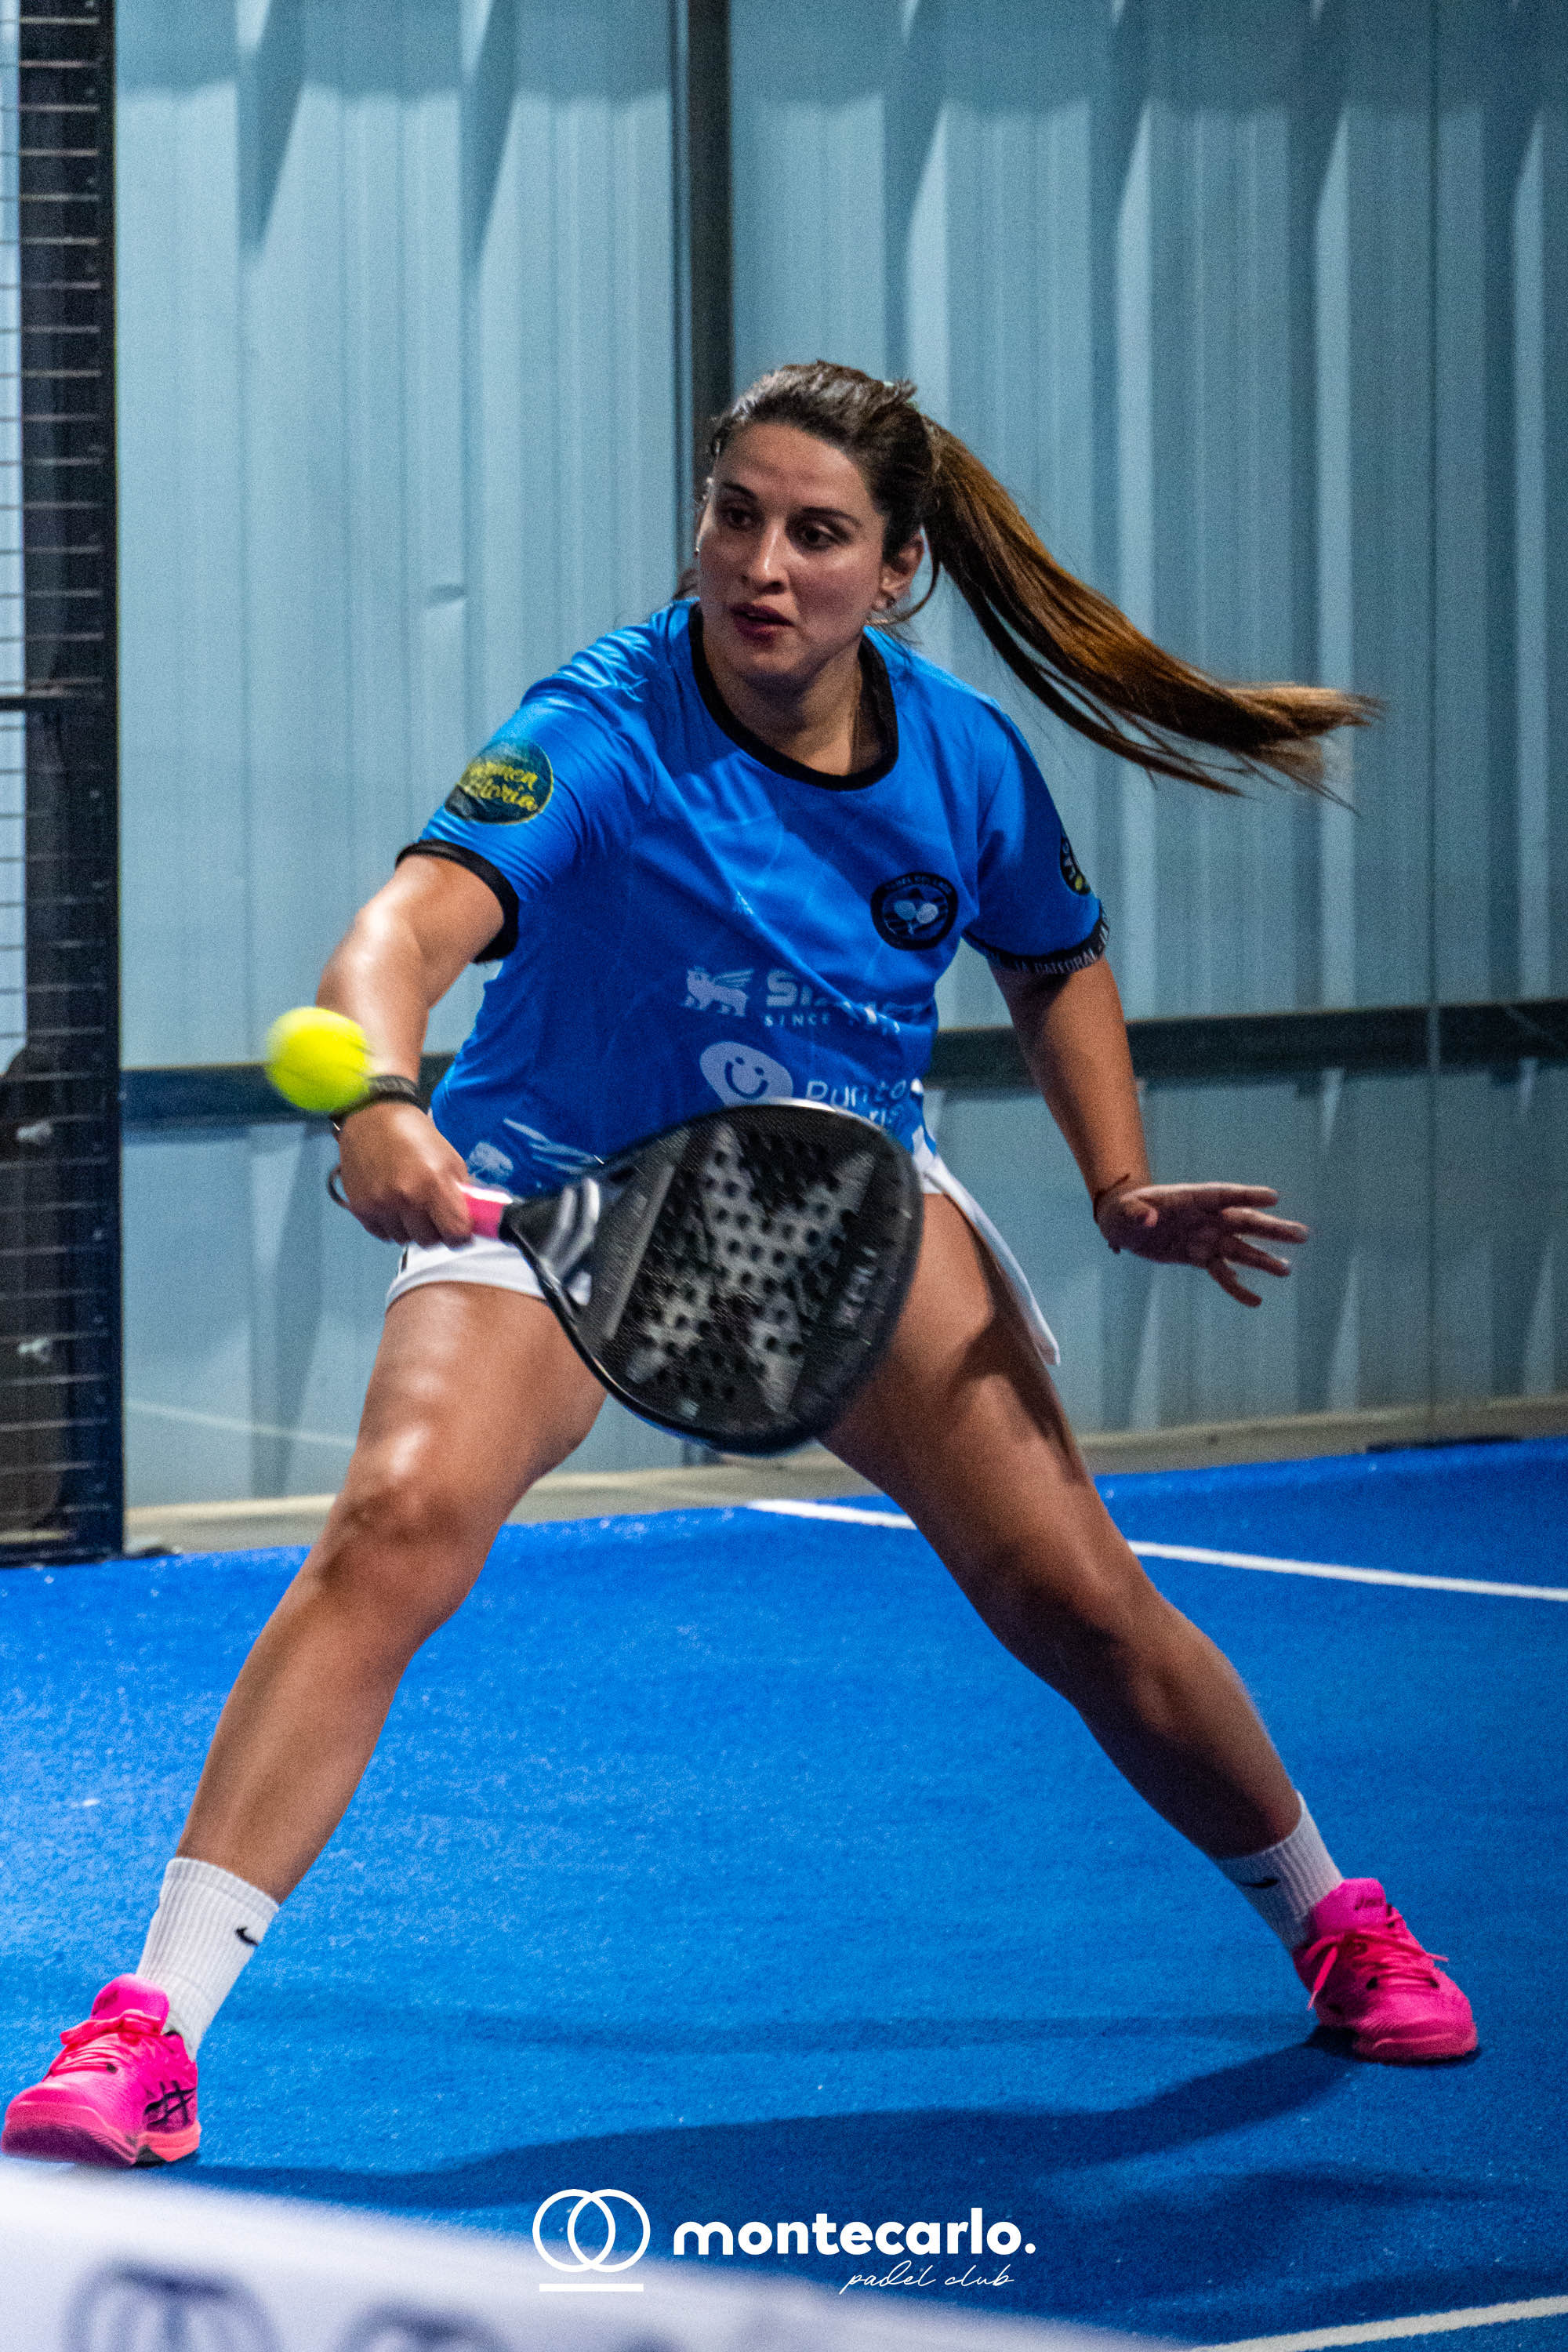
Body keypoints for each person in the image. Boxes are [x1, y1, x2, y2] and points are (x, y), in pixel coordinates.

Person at [4, 363, 1475, 2169]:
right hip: (556, 1186)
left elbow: (1052, 958)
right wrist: (380, 1097)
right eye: (736, 517)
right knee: (392, 1526)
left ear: (898, 569)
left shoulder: (961, 761)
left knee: (1077, 1599)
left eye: (817, 534)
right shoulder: (601, 726)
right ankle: (148, 2033)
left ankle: (1332, 1918)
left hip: (827, 1202)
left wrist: (1116, 1181)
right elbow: (406, 927)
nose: (763, 566)